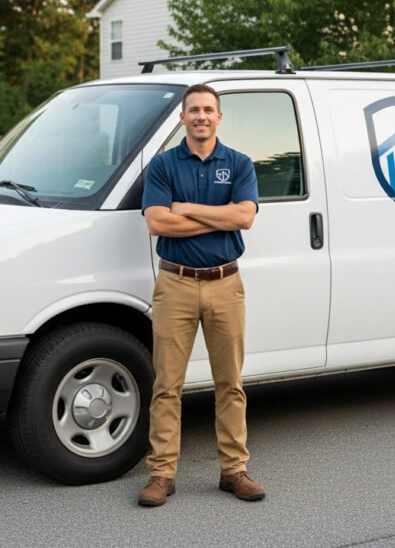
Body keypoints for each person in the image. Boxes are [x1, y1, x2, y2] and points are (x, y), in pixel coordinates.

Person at [137, 83, 263, 507]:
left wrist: (186, 208)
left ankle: (234, 471)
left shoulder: (241, 163)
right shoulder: (163, 165)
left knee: (230, 383)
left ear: (219, 117)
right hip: (175, 285)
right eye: (194, 110)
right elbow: (157, 222)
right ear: (182, 117)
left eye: (209, 109)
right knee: (167, 385)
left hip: (227, 284)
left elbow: (245, 217)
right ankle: (161, 475)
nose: (201, 116)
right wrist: (220, 218)